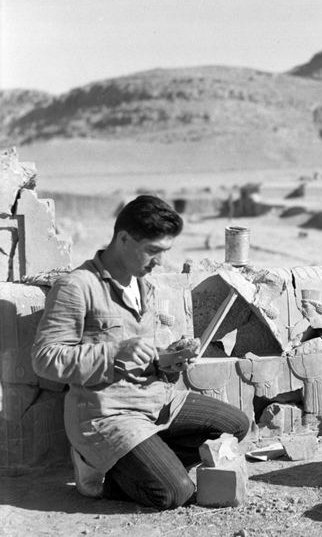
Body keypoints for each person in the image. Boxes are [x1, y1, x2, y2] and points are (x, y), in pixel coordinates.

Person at [32, 195, 250, 510]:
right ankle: (101, 474)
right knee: (174, 492)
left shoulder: (143, 286)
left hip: (155, 401)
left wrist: (167, 360)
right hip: (107, 414)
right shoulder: (77, 287)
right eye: (153, 251)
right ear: (123, 239)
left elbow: (142, 355)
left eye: (165, 252)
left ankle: (145, 459)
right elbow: (45, 358)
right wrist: (113, 353)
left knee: (236, 424)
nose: (159, 262)